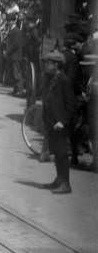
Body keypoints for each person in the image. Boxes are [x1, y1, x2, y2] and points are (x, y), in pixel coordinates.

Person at [41, 50, 75, 193]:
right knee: (56, 152)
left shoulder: (64, 80)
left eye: (48, 63)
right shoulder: (51, 78)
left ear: (56, 65)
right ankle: (59, 179)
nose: (46, 65)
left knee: (62, 154)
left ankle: (66, 183)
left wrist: (63, 121)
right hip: (52, 123)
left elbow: (71, 105)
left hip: (60, 124)